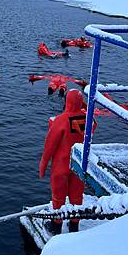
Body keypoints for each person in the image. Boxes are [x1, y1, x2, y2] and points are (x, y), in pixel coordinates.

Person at [39, 89, 95, 235]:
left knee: (58, 197)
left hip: (61, 165)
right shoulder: (88, 119)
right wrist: (81, 105)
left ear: (66, 101)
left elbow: (50, 146)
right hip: (78, 165)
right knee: (77, 196)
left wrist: (43, 164)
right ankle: (74, 226)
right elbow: (93, 123)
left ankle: (56, 227)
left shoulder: (60, 120)